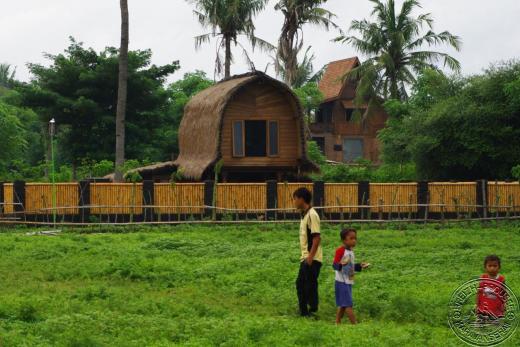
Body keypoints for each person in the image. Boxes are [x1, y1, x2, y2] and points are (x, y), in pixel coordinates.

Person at [293, 187, 322, 317]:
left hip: (312, 257)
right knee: (302, 284)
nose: (294, 201)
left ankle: (310, 311)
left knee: (306, 285)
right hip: (306, 256)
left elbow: (316, 237)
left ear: (301, 199)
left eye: (295, 199)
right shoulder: (304, 215)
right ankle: (306, 311)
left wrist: (310, 257)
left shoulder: (312, 215)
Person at [332, 228, 370, 324]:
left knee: (343, 304)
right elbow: (335, 265)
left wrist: (360, 266)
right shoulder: (340, 251)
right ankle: (355, 325)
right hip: (341, 281)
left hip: (348, 281)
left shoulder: (351, 252)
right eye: (351, 238)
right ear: (344, 240)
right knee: (348, 304)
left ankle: (337, 323)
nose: (354, 240)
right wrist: (342, 265)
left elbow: (350, 267)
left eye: (355, 238)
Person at [476, 255, 507, 322]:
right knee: (480, 324)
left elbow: (504, 293)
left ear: (499, 267)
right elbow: (479, 292)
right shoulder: (483, 278)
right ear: (485, 267)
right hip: (483, 307)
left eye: (495, 266)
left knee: (495, 325)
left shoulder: (501, 279)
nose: (492, 268)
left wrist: (505, 304)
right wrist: (477, 304)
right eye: (490, 266)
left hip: (496, 308)